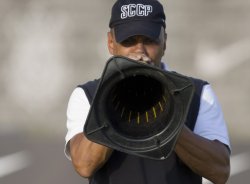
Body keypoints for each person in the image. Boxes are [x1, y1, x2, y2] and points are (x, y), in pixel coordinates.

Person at [64, 0, 231, 183]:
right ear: (111, 43)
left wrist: (168, 115)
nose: (139, 50)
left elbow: (220, 171)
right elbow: (84, 165)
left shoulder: (198, 94)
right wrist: (117, 99)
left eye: (149, 40)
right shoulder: (87, 95)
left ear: (164, 42)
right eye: (128, 41)